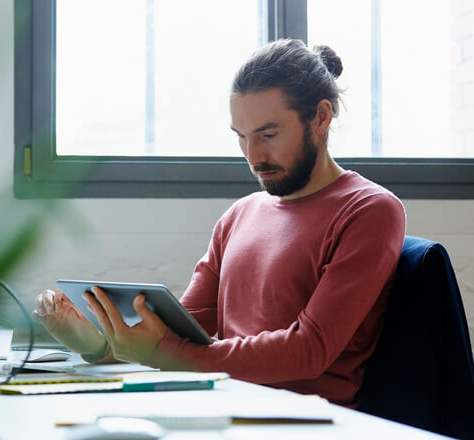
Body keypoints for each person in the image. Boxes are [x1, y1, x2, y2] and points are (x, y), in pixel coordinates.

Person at [32, 39, 406, 407]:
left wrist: (164, 351)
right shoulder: (239, 215)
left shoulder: (369, 210)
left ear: (321, 118)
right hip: (223, 407)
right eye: (241, 137)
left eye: (268, 134)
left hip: (305, 423)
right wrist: (98, 344)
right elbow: (178, 339)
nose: (253, 155)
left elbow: (310, 349)